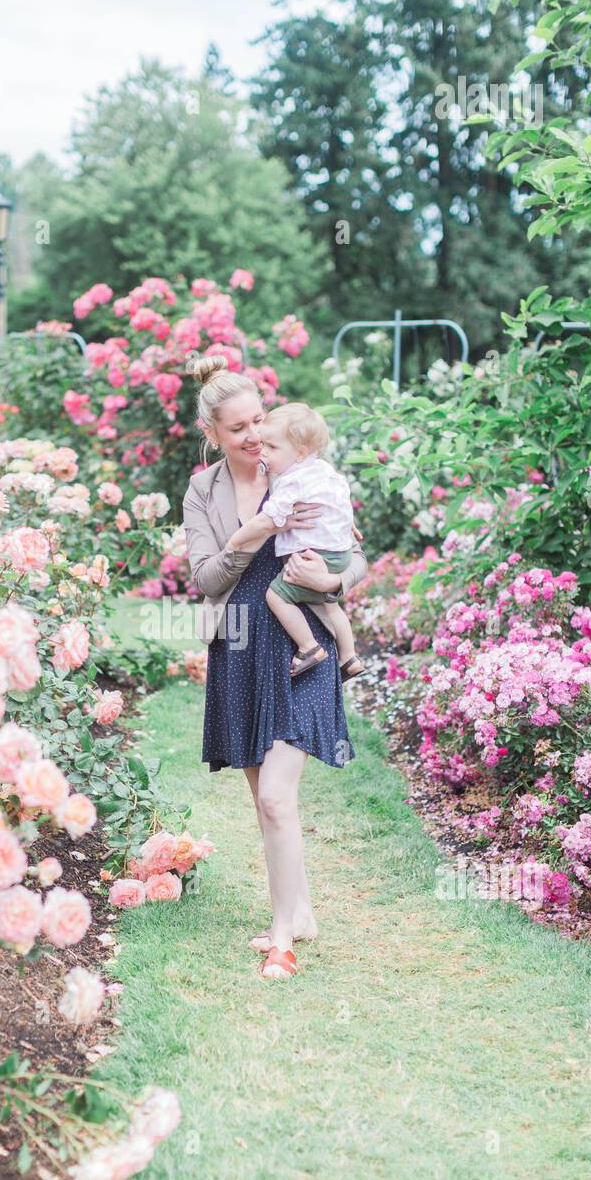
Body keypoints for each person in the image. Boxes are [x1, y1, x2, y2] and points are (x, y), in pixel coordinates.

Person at [182, 354, 369, 980]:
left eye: (259, 419)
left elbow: (354, 556)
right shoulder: (203, 491)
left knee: (278, 799)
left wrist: (334, 580)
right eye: (237, 428)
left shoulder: (298, 465)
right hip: (238, 643)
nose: (254, 435)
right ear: (213, 435)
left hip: (300, 642)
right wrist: (252, 534)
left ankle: (283, 936)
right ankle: (301, 911)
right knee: (264, 799)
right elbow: (205, 577)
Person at [237, 400, 364, 681]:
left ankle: (308, 647)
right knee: (331, 606)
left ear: (300, 453)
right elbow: (340, 501)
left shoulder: (293, 481)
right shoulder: (325, 472)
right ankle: (349, 656)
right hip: (337, 553)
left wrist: (241, 536)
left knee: (277, 596)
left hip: (312, 556)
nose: (263, 452)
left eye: (271, 448)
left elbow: (271, 516)